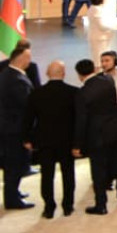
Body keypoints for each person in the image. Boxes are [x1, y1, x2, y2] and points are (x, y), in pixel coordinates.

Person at [72, 58, 117, 214]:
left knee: (99, 172)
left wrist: (76, 144)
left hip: (97, 137)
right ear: (94, 69)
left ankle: (101, 205)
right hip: (115, 132)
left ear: (79, 75)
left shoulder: (82, 93)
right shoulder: (108, 81)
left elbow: (81, 121)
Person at [21, 58, 76, 218]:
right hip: (67, 140)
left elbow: (28, 119)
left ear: (46, 73)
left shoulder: (36, 93)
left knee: (47, 176)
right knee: (68, 174)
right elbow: (79, 119)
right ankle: (67, 206)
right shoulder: (73, 92)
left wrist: (26, 139)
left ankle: (49, 208)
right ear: (64, 74)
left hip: (44, 141)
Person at [0, 40, 34, 210]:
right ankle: (12, 199)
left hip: (10, 127)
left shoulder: (8, 73)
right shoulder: (16, 80)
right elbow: (26, 105)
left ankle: (14, 192)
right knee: (14, 164)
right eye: (28, 58)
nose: (30, 61)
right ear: (20, 59)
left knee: (15, 164)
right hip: (15, 130)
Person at [85, 0, 114, 65]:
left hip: (101, 37)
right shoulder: (96, 10)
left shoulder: (95, 8)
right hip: (99, 38)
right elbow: (101, 26)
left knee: (101, 58)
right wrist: (113, 26)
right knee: (99, 60)